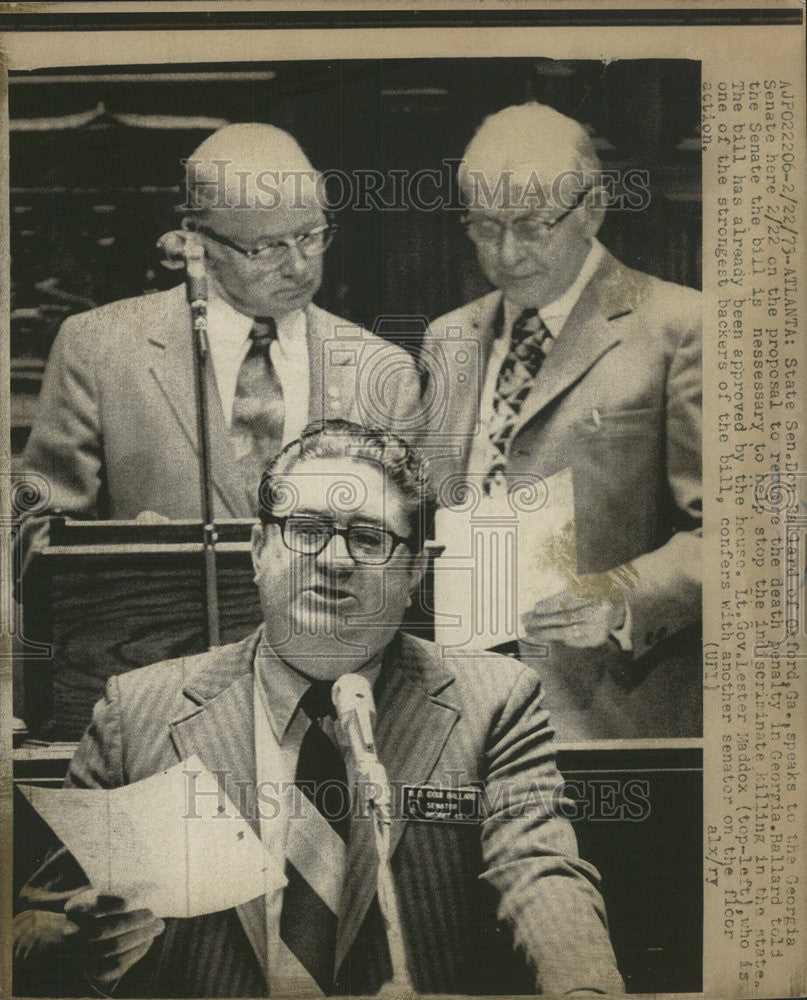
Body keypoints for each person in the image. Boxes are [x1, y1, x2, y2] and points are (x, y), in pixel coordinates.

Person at [15, 420, 624, 998]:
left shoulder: (494, 703)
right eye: (307, 529)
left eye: (369, 538)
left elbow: (541, 875)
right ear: (259, 549)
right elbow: (33, 929)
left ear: (414, 571)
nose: (336, 560)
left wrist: (583, 985)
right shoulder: (138, 712)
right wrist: (79, 947)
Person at [422, 102, 702, 738]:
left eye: (532, 225)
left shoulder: (681, 327)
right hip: (458, 708)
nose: (507, 253)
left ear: (593, 209)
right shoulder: (448, 339)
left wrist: (618, 594)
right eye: (484, 226)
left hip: (608, 714)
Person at [21, 123, 422, 521]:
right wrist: (131, 554)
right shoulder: (97, 348)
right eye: (265, 249)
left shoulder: (384, 371)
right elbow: (42, 535)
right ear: (199, 238)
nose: (298, 268)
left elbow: (405, 546)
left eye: (310, 236)